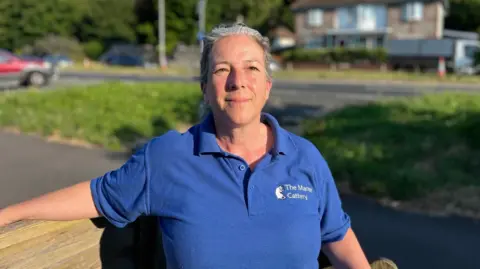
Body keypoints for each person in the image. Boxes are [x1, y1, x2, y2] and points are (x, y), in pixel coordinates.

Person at [0, 23, 371, 269]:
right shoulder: (169, 157)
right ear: (205, 88)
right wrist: (9, 214)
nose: (238, 81)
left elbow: (335, 233)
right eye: (222, 69)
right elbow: (99, 195)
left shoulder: (306, 158)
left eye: (252, 68)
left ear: (267, 86)